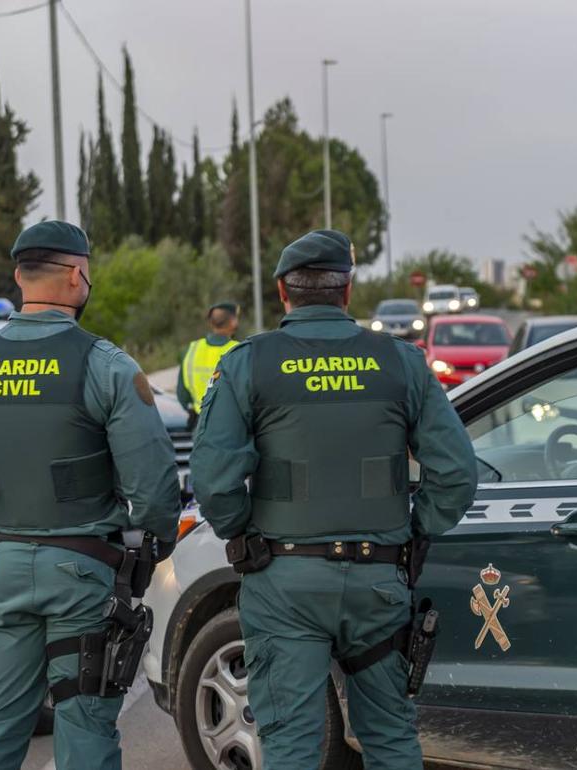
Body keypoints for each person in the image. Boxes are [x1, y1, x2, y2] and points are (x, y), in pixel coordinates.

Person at [191, 229, 478, 769]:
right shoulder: (402, 363)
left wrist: (241, 533)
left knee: (292, 747)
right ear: (347, 290)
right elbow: (457, 474)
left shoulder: (248, 362)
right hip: (378, 582)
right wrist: (415, 533)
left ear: (282, 291)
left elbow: (212, 478)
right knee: (390, 739)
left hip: (285, 583)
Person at [0, 220, 182, 770]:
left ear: (20, 277)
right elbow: (156, 489)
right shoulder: (108, 366)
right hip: (85, 575)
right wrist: (151, 553)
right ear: (76, 276)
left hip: (7, 573)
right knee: (85, 735)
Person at [177, 302, 240, 429]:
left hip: (200, 424)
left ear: (211, 323)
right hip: (231, 425)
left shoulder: (191, 349)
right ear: (233, 322)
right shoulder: (239, 349)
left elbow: (182, 394)